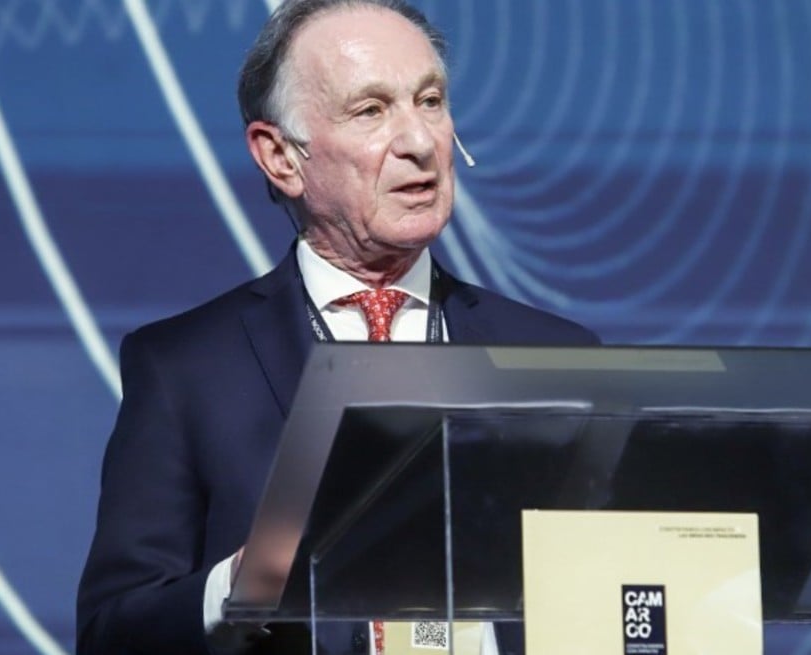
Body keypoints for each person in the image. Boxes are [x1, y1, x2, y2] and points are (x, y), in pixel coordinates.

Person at [76, 1, 598, 653]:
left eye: (430, 101)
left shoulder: (556, 355)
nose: (419, 142)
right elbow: (112, 631)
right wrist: (239, 587)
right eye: (371, 110)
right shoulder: (186, 369)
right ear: (280, 157)